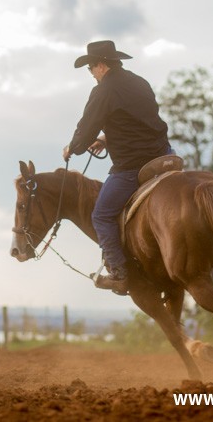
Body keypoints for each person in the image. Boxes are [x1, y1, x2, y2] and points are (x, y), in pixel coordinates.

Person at [62, 40, 172, 294]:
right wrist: (105, 138)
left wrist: (73, 147)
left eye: (91, 68)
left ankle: (119, 274)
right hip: (164, 156)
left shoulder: (103, 91)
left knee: (101, 215)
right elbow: (139, 122)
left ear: (101, 65)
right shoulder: (139, 82)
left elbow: (86, 127)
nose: (91, 74)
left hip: (133, 165)